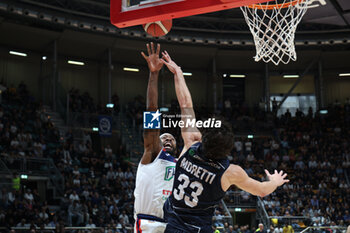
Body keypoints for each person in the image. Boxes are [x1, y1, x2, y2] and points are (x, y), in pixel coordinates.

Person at [161, 51, 289, 233]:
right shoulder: (230, 173)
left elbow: (185, 103)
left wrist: (178, 73)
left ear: (204, 137)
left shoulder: (191, 142)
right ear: (229, 149)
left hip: (171, 222)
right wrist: (275, 181)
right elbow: (261, 190)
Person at [134, 43, 178, 233]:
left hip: (171, 224)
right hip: (148, 223)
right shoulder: (152, 152)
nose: (167, 139)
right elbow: (151, 110)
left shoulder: (181, 164)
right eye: (164, 137)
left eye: (172, 139)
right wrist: (154, 75)